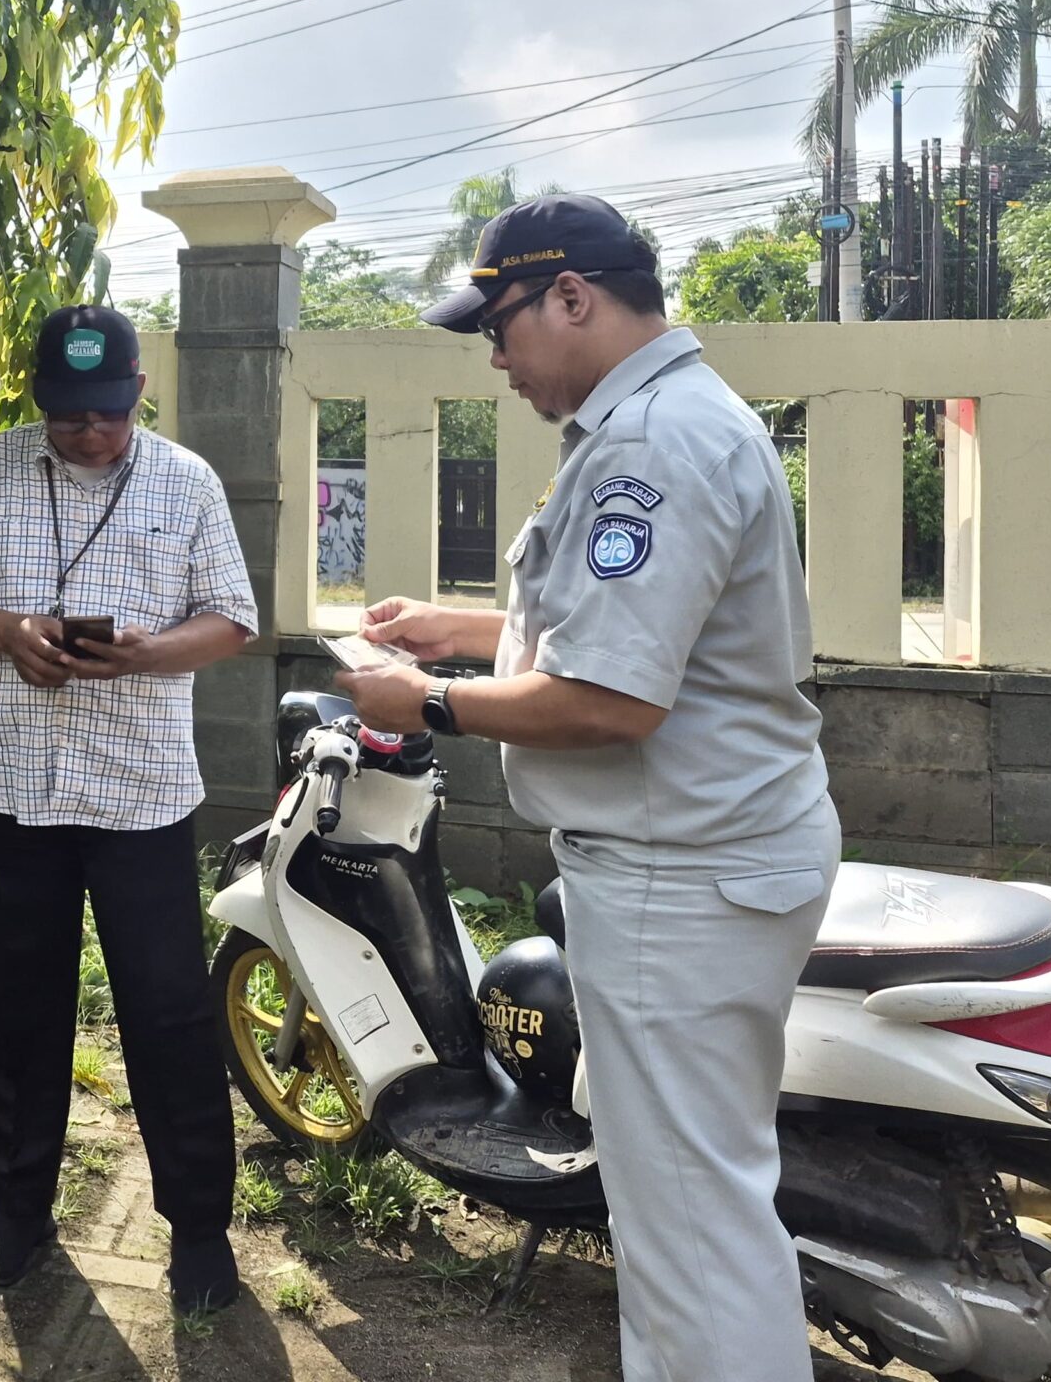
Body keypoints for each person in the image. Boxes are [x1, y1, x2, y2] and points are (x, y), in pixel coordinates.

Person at [332, 196, 839, 1382]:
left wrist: (428, 704)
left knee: (690, 1229)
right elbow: (634, 629)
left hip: (683, 878)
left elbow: (614, 700)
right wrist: (467, 631)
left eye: (499, 325)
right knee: (680, 1203)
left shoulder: (651, 444)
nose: (494, 356)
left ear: (572, 297)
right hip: (696, 864)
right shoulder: (661, 420)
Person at [0, 305, 259, 1314]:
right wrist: (12, 632)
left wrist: (148, 652)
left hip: (136, 786)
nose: (90, 436)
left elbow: (231, 617)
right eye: (68, 420)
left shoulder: (185, 480)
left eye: (107, 416)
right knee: (19, 1006)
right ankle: (19, 1214)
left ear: (140, 393)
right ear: (38, 404)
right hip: (9, 780)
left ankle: (197, 1230)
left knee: (166, 1010)